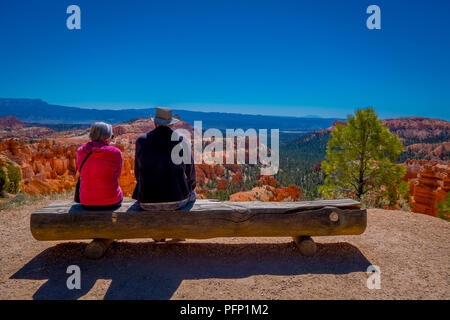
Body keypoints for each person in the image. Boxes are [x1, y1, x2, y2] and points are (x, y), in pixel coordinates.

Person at [133, 107, 196, 212]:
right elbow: (191, 173)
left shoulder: (141, 141)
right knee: (193, 195)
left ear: (155, 124)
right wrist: (189, 188)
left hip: (146, 202)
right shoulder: (181, 140)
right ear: (171, 124)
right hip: (177, 200)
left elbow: (137, 171)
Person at [77, 122, 123, 210]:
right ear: (107, 137)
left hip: (86, 201)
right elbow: (117, 175)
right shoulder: (115, 152)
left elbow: (81, 171)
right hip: (112, 201)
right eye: (111, 136)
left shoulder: (80, 151)